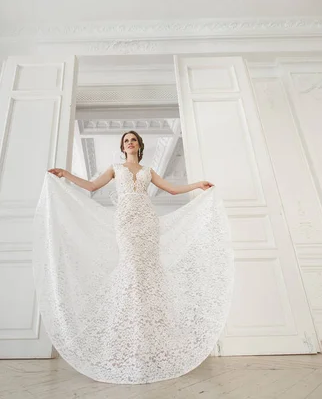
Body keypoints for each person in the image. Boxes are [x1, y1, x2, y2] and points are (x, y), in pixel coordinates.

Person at [33, 130, 234, 384]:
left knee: (148, 273)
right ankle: (123, 343)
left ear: (139, 145)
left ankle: (152, 344)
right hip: (126, 221)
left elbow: (172, 190)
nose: (130, 142)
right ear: (122, 146)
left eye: (133, 140)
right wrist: (66, 174)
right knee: (131, 270)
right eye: (126, 140)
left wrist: (197, 185)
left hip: (148, 221)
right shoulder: (115, 168)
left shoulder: (148, 170)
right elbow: (92, 186)